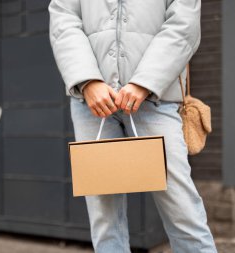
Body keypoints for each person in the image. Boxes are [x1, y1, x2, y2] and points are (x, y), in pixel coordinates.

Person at [48, 0, 218, 252]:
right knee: (104, 218)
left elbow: (184, 24)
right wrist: (87, 80)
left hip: (154, 99)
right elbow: (64, 19)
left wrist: (144, 82)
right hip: (92, 104)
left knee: (182, 208)